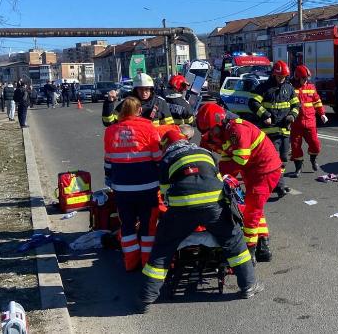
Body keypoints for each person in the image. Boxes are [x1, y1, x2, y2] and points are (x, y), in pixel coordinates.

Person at [139, 129, 262, 308]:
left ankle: (147, 296)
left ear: (166, 146)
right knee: (234, 242)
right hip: (213, 205)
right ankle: (249, 286)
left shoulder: (167, 159)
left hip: (183, 207)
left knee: (163, 249)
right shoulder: (205, 152)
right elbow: (220, 180)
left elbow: (165, 194)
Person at [197, 103, 281, 263]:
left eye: (211, 130)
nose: (211, 134)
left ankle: (250, 252)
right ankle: (264, 246)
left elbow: (239, 159)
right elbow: (225, 154)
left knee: (251, 212)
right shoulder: (223, 130)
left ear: (219, 121)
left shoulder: (237, 129)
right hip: (253, 170)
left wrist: (218, 176)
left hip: (264, 171)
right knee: (256, 208)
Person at [104, 97, 162, 271]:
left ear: (122, 111)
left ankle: (131, 262)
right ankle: (146, 262)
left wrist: (110, 179)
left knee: (127, 225)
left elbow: (108, 161)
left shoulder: (111, 131)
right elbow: (158, 157)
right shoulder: (148, 127)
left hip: (122, 188)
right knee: (147, 226)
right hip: (148, 187)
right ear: (138, 111)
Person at [247, 60, 299, 198]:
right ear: (274, 75)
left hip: (284, 130)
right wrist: (265, 115)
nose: (281, 79)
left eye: (284, 77)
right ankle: (280, 185)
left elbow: (296, 106)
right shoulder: (264, 88)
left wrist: (292, 116)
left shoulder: (289, 88)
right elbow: (252, 103)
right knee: (274, 159)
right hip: (269, 131)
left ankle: (275, 182)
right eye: (279, 76)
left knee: (283, 159)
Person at [290, 65, 327, 177]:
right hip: (296, 123)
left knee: (315, 144)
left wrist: (322, 114)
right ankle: (298, 168)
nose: (305, 81)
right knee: (295, 147)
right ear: (297, 77)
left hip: (310, 122)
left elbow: (317, 101)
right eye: (303, 78)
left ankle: (313, 160)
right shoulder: (291, 88)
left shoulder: (311, 87)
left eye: (307, 79)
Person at [102, 73, 174, 127]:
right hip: (134, 143)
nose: (144, 93)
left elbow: (169, 126)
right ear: (136, 90)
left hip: (153, 144)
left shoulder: (160, 102)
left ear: (151, 90)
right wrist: (109, 102)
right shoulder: (128, 103)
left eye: (147, 89)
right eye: (141, 89)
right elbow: (108, 122)